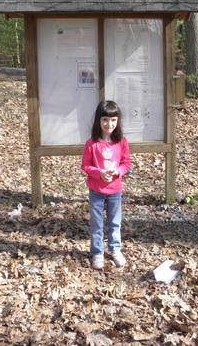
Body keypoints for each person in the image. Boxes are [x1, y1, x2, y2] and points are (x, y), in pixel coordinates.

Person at [81, 100, 131, 270]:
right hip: (96, 190)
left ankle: (115, 249)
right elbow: (85, 166)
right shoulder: (91, 143)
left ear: (117, 121)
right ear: (98, 121)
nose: (109, 124)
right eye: (105, 120)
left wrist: (118, 171)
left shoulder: (122, 142)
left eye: (113, 120)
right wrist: (98, 172)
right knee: (97, 223)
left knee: (115, 222)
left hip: (115, 190)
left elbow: (126, 163)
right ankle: (97, 252)